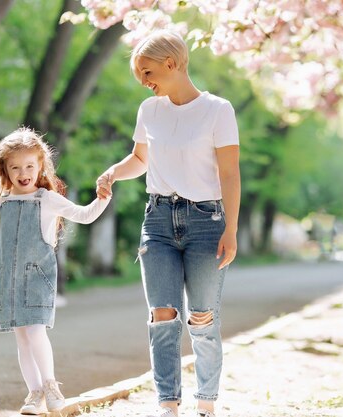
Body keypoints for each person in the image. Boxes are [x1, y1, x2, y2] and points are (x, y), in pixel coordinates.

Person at [96, 29, 240, 417]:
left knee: (202, 317)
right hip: (157, 220)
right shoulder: (150, 112)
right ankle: (168, 405)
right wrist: (112, 172)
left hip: (207, 222)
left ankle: (206, 403)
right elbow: (141, 159)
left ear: (171, 64)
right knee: (163, 316)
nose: (144, 82)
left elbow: (229, 174)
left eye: (147, 73)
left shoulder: (218, 110)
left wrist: (231, 229)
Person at [0, 127, 111, 415]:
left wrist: (102, 198)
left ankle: (51, 386)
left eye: (29, 166)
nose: (23, 172)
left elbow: (84, 215)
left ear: (40, 166)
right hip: (9, 279)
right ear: (4, 170)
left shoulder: (47, 199)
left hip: (37, 277)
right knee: (22, 338)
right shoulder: (0, 203)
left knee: (35, 332)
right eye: (15, 167)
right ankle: (33, 393)